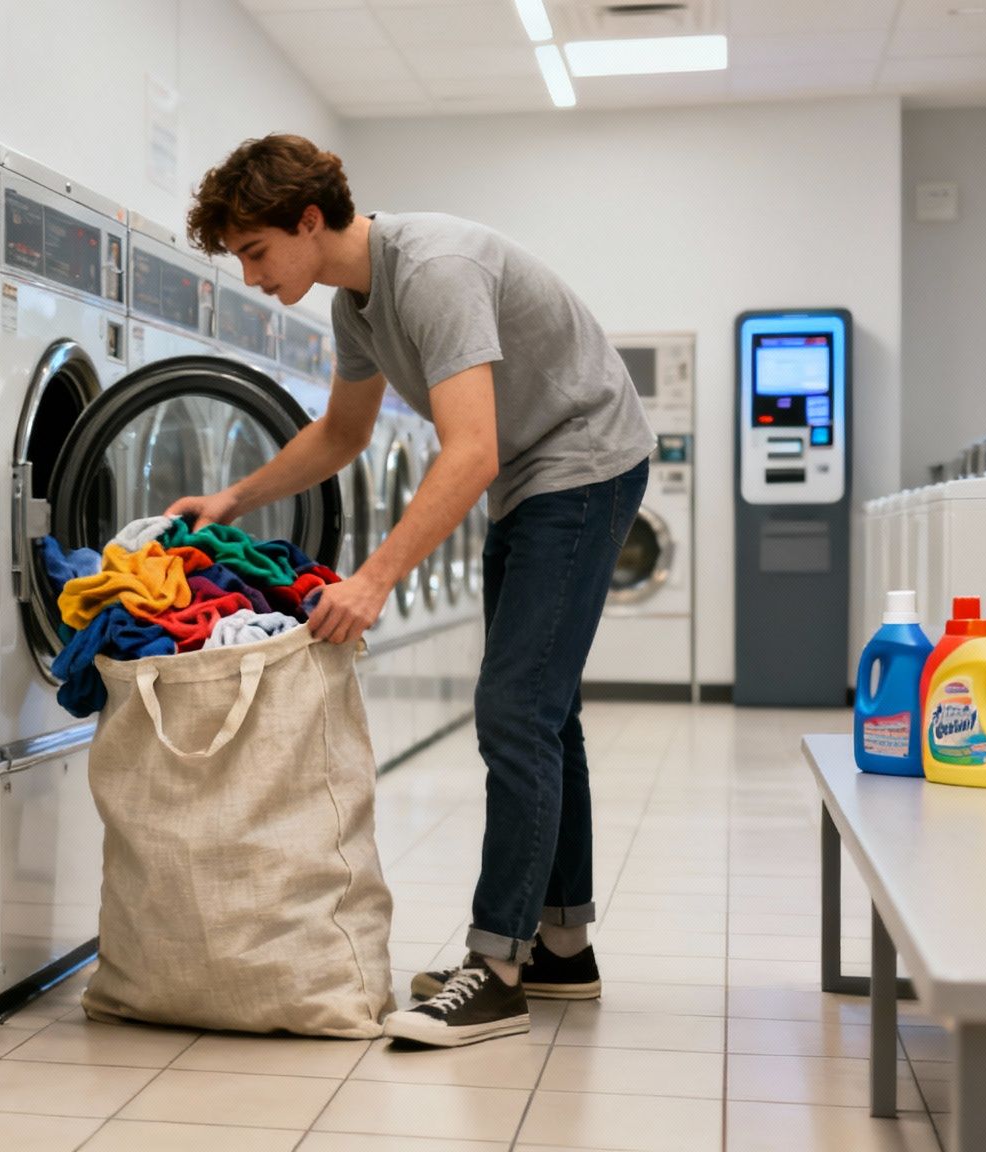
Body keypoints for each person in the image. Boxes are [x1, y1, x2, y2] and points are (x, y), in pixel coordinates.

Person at [168, 134, 654, 1048]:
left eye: (256, 251)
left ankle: (499, 966)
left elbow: (470, 452)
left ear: (309, 221)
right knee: (545, 712)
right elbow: (345, 434)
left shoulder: (433, 269)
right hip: (534, 474)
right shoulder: (359, 301)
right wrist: (233, 496)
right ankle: (563, 949)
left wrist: (372, 579)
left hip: (581, 462)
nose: (250, 274)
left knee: (514, 709)